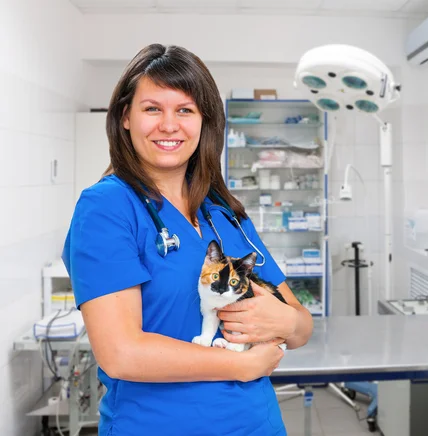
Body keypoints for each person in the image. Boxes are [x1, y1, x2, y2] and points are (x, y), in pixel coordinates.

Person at [62, 43, 313, 436]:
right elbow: (120, 354)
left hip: (258, 425)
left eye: (185, 110)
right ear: (125, 117)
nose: (168, 125)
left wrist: (286, 320)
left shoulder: (221, 210)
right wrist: (241, 365)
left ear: (204, 122)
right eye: (152, 109)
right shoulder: (107, 208)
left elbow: (300, 326)